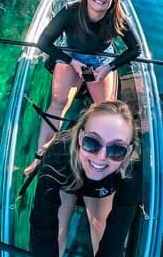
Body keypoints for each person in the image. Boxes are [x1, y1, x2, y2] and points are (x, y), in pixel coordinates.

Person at [24, 0, 141, 175]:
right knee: (58, 102)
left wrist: (108, 67)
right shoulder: (70, 11)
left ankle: (98, 156)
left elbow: (135, 49)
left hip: (101, 61)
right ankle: (39, 157)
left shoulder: (117, 16)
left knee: (105, 110)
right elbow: (44, 42)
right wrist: (72, 62)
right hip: (71, 56)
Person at [30, 100, 142, 257]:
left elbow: (118, 229)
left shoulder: (131, 169)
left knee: (104, 234)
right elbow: (43, 224)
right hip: (68, 181)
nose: (101, 157)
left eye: (117, 149)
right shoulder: (57, 156)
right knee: (55, 235)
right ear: (80, 136)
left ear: (129, 151)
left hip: (101, 188)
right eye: (92, 142)